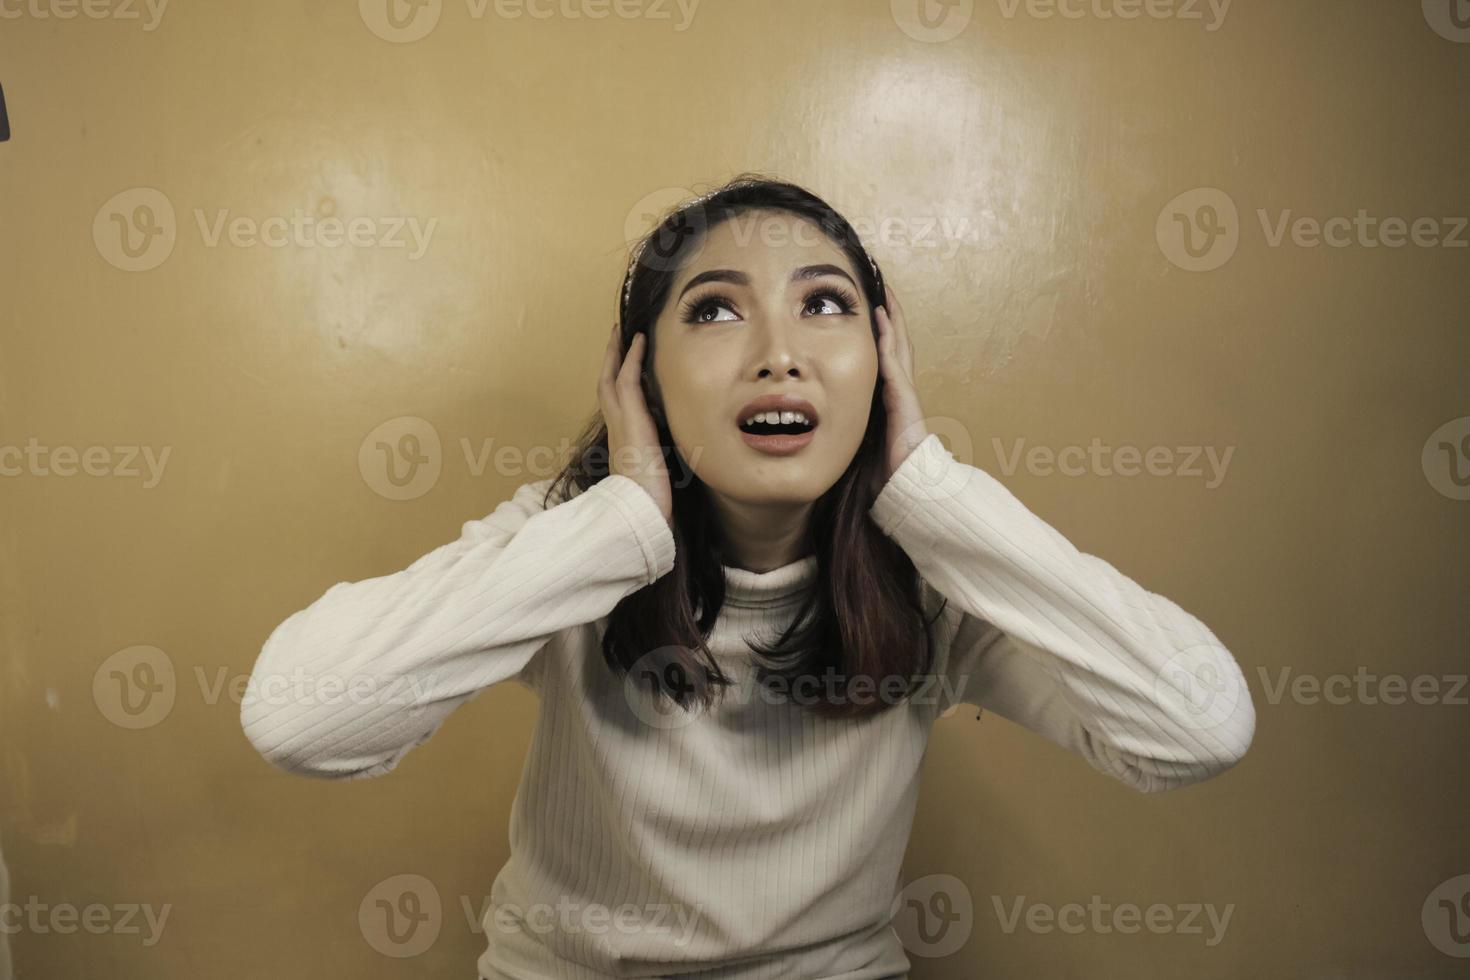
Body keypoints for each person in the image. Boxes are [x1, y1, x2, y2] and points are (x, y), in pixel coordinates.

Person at [240, 174, 1255, 979]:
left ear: (882, 358)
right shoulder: (569, 548)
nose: (779, 354)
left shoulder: (936, 582)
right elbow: (299, 716)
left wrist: (929, 490)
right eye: (717, 312)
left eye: (825, 304)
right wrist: (621, 521)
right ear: (641, 376)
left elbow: (1198, 724)